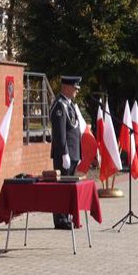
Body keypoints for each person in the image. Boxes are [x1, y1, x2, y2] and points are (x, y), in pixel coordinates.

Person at [50, 76, 82, 230]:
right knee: (62, 188)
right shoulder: (59, 106)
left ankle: (67, 216)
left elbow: (75, 130)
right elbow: (60, 133)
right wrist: (64, 153)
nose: (76, 91)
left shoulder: (70, 105)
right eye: (75, 88)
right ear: (66, 87)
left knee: (69, 186)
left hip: (73, 153)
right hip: (65, 154)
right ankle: (60, 219)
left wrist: (78, 153)